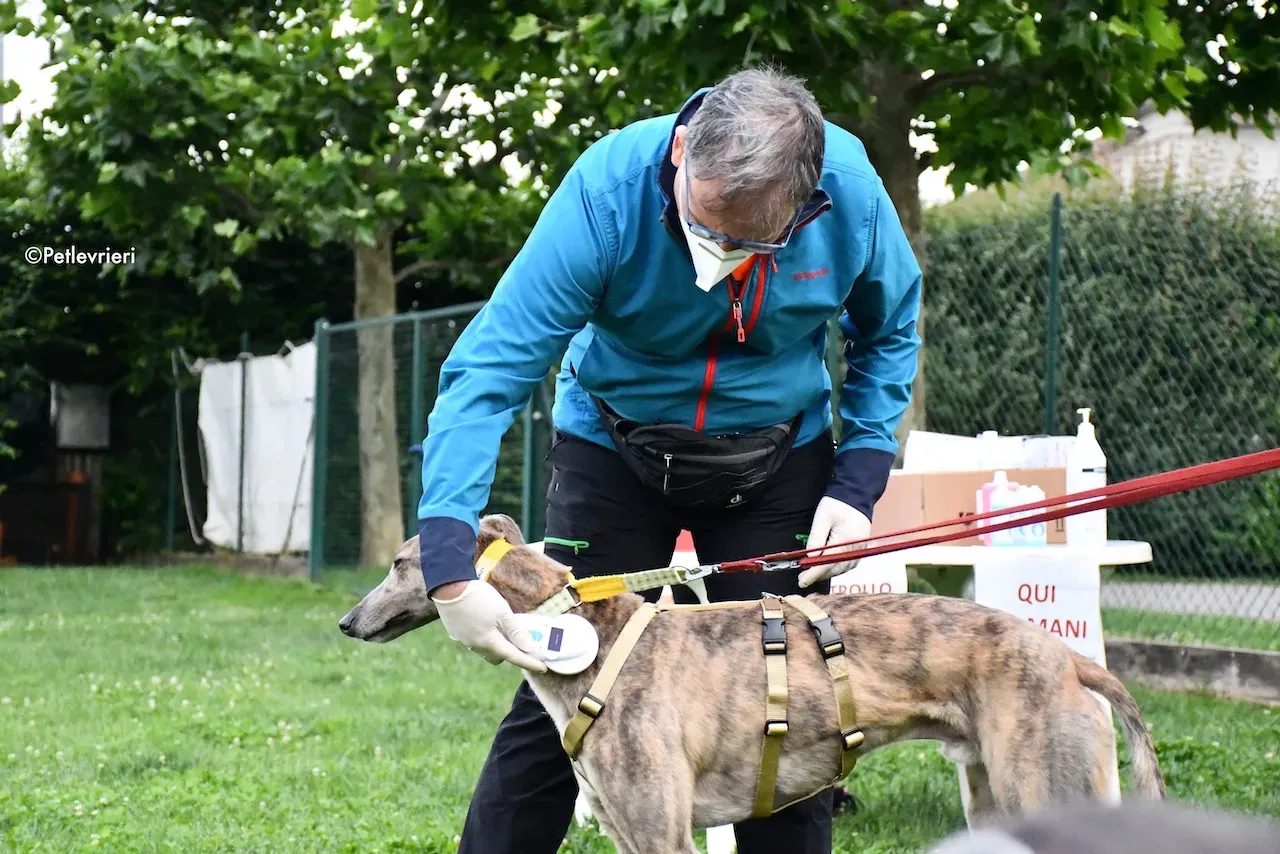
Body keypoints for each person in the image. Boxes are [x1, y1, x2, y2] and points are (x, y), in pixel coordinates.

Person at [416, 65, 923, 854]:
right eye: (708, 225)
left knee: (784, 693)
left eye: (751, 242)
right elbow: (490, 369)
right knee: (565, 681)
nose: (719, 255)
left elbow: (888, 331)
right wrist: (450, 568)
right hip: (614, 451)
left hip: (778, 459)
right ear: (682, 150)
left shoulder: (852, 192)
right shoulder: (605, 194)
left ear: (808, 199)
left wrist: (858, 482)